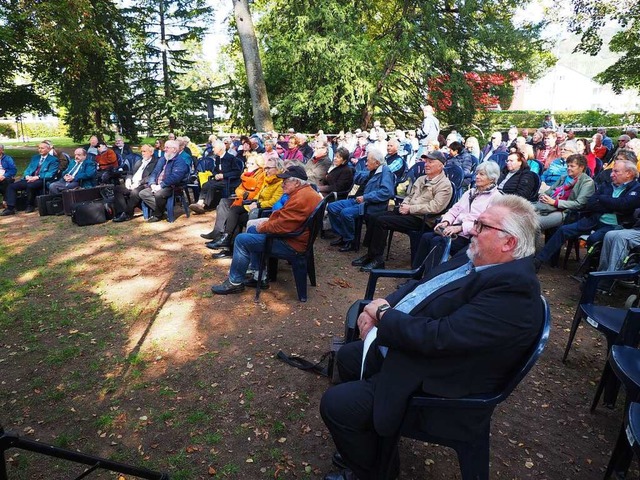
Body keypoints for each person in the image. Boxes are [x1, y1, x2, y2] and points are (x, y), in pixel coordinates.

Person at [320, 195, 543, 480]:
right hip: (421, 348)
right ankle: (370, 445)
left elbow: (439, 337)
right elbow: (419, 285)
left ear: (509, 242)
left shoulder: (513, 291)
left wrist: (385, 316)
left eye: (482, 226)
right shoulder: (476, 257)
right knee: (351, 357)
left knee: (336, 405)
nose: (471, 229)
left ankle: (374, 472)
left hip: (439, 384)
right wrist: (380, 305)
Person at [210, 167, 322, 294]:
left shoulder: (300, 198)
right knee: (252, 228)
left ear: (296, 182)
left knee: (241, 239)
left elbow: (282, 227)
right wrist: (266, 223)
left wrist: (263, 226)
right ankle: (259, 276)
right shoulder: (305, 192)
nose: (282, 184)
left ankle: (235, 282)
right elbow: (285, 218)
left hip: (291, 243)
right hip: (296, 237)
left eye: (285, 181)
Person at [351, 150, 453, 272]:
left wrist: (410, 208)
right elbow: (410, 195)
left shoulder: (444, 185)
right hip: (408, 212)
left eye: (431, 162)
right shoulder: (422, 179)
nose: (426, 164)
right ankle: (371, 254)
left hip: (422, 219)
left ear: (441, 165)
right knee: (373, 216)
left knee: (381, 221)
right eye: (426, 161)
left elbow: (436, 207)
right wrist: (405, 204)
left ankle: (377, 259)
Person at [534, 158, 640, 269]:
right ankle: (538, 260)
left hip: (614, 226)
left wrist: (603, 199)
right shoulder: (607, 185)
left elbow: (624, 205)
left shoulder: (636, 189)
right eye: (612, 171)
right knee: (563, 230)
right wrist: (612, 205)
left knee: (594, 239)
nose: (611, 174)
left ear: (628, 173)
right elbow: (591, 203)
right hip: (594, 220)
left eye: (616, 171)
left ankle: (590, 270)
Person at [411, 161, 502, 268]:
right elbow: (455, 210)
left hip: (471, 236)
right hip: (453, 230)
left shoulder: (496, 198)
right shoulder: (470, 192)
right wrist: (446, 221)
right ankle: (415, 274)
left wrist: (460, 228)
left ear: (492, 178)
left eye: (481, 174)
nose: (477, 177)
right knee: (426, 237)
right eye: (477, 173)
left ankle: (429, 278)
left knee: (438, 242)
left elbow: (486, 225)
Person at [327, 149, 395, 252]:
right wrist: (355, 172)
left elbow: (386, 192)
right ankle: (344, 235)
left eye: (368, 161)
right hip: (357, 199)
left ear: (376, 163)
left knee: (346, 213)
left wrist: (366, 197)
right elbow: (359, 177)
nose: (366, 163)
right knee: (332, 207)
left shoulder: (385, 172)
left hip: (368, 204)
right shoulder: (373, 171)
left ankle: (351, 240)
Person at [203, 153, 265, 250]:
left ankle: (226, 238)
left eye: (251, 164)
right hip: (241, 199)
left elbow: (255, 192)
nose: (247, 165)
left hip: (249, 202)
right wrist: (243, 193)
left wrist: (244, 194)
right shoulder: (246, 174)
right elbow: (238, 189)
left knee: (233, 210)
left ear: (258, 165)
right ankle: (218, 233)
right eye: (247, 163)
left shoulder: (261, 175)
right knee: (223, 202)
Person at [534, 154, 595, 231]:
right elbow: (549, 191)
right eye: (568, 165)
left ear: (581, 167)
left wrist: (555, 202)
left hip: (565, 212)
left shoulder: (587, 182)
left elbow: (579, 204)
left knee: (534, 224)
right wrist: (543, 196)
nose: (568, 168)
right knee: (525, 218)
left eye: (572, 166)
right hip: (547, 205)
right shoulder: (564, 177)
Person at [138, 139, 190, 222]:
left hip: (171, 186)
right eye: (165, 147)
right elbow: (154, 173)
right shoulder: (162, 159)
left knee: (159, 194)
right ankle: (164, 211)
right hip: (157, 185)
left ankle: (158, 214)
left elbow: (175, 177)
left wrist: (161, 185)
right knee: (143, 193)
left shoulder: (180, 161)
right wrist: (152, 184)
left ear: (174, 149)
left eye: (167, 147)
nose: (164, 149)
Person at [2, 141, 59, 215]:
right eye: (39, 148)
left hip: (42, 180)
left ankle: (30, 205)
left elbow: (51, 173)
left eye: (42, 148)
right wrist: (27, 176)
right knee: (11, 186)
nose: (40, 150)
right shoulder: (35, 158)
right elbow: (28, 169)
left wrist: (37, 177)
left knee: (30, 185)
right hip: (30, 178)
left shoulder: (53, 160)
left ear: (48, 149)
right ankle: (10, 208)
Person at [189, 141, 242, 213]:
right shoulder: (217, 158)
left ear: (220, 149)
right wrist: (216, 174)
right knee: (205, 184)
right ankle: (199, 203)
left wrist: (224, 175)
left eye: (214, 148)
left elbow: (237, 172)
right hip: (219, 180)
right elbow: (215, 170)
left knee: (212, 186)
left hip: (229, 180)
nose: (213, 149)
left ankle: (204, 206)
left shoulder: (231, 158)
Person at [112, 144, 159, 222]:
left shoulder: (155, 162)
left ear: (151, 152)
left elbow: (152, 176)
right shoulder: (140, 161)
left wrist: (138, 183)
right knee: (117, 189)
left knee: (135, 192)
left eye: (144, 151)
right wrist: (128, 180)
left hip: (144, 184)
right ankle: (121, 212)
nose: (142, 153)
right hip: (133, 183)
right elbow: (130, 172)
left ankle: (127, 214)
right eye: (142, 151)